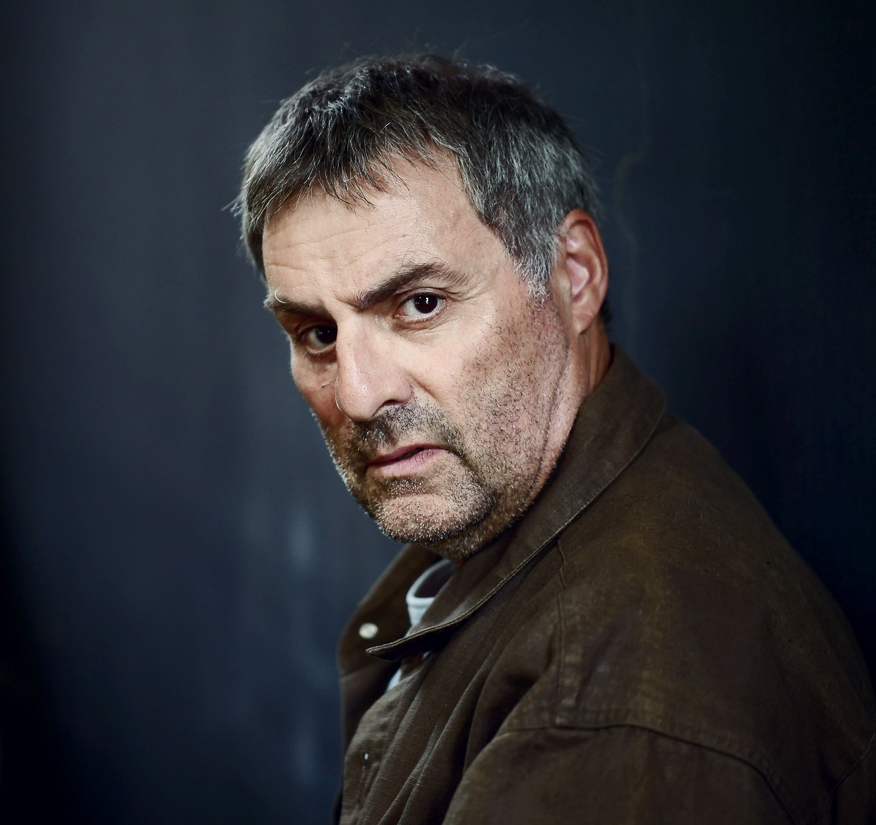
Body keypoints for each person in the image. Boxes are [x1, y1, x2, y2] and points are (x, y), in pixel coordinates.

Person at [236, 54, 876, 824]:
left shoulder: (611, 709)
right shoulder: (529, 527)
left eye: (421, 303)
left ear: (573, 274)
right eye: (316, 332)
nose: (359, 393)